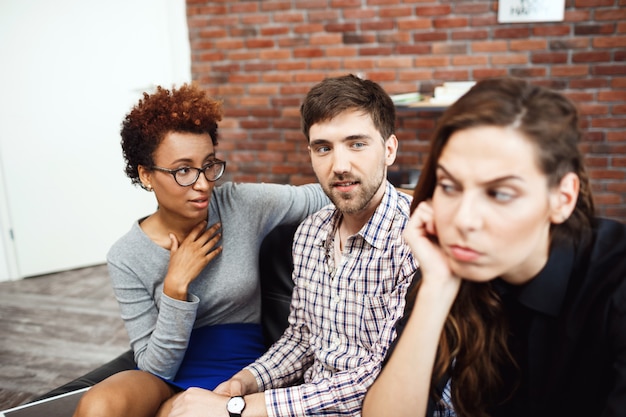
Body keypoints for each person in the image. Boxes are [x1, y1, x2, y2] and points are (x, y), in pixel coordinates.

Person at [362, 77, 626, 417]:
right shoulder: (453, 262)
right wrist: (436, 290)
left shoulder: (614, 284)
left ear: (563, 198)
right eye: (449, 186)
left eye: (500, 193)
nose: (464, 220)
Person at [167, 74, 419, 417]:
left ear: (389, 150)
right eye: (324, 148)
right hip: (305, 405)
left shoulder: (415, 242)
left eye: (357, 144)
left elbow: (385, 375)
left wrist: (243, 407)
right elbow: (301, 339)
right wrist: (244, 382)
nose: (340, 165)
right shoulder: (311, 234)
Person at [72, 83, 330, 417]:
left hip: (238, 377)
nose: (203, 183)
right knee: (98, 406)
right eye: (183, 170)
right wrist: (175, 288)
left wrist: (405, 193)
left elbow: (325, 193)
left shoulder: (240, 205)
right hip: (165, 378)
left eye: (208, 165)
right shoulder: (126, 256)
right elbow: (154, 367)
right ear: (146, 175)